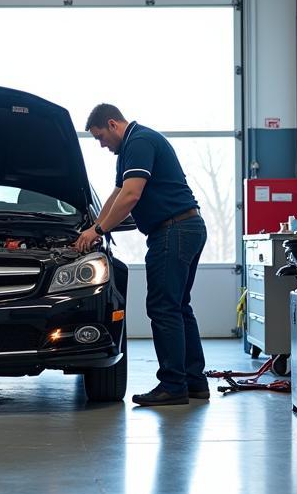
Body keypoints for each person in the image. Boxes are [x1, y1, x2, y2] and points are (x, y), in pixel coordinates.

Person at [74, 104, 208, 407]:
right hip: (186, 227)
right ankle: (194, 381)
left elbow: (132, 195)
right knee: (178, 307)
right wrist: (93, 224)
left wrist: (98, 230)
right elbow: (118, 193)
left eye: (100, 137)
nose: (102, 145)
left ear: (112, 124)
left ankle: (173, 385)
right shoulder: (131, 149)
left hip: (173, 231)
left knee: (164, 308)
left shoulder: (139, 142)